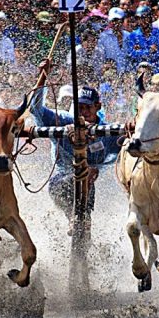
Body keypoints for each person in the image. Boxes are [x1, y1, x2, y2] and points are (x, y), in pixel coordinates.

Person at [30, 59, 118, 221]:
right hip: (60, 181)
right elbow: (35, 109)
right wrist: (43, 77)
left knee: (86, 176)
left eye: (87, 107)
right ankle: (72, 218)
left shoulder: (108, 133)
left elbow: (130, 143)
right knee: (71, 179)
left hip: (88, 185)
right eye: (80, 108)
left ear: (97, 107)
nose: (83, 112)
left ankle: (84, 224)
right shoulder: (63, 120)